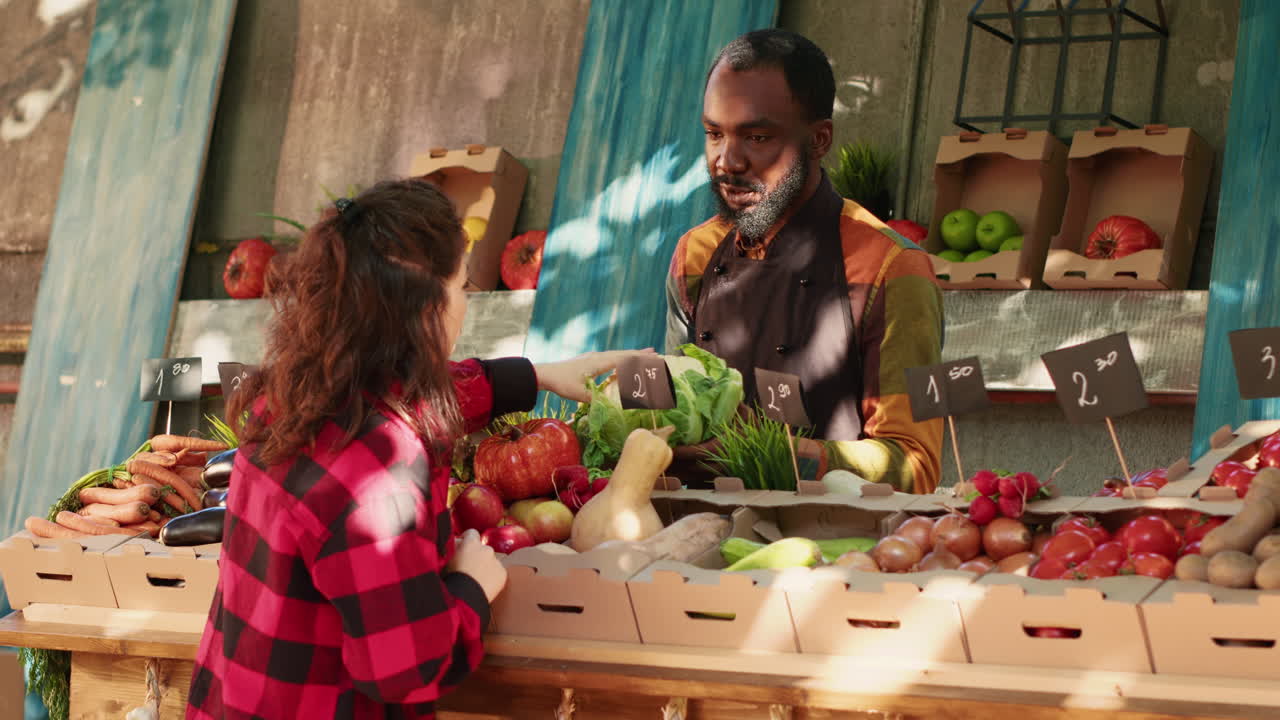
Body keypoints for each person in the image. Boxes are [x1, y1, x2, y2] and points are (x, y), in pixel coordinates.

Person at [187, 179, 638, 719]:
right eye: (463, 287)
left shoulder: (295, 389)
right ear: (428, 307)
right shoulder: (379, 472)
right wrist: (473, 587)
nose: (466, 303)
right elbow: (406, 668)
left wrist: (538, 375)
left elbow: (420, 393)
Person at [665, 29, 944, 494]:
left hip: (833, 546)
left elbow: (915, 466)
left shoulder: (893, 267)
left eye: (756, 136)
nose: (726, 161)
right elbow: (675, 407)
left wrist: (766, 450)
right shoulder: (693, 254)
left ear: (819, 139)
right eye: (714, 134)